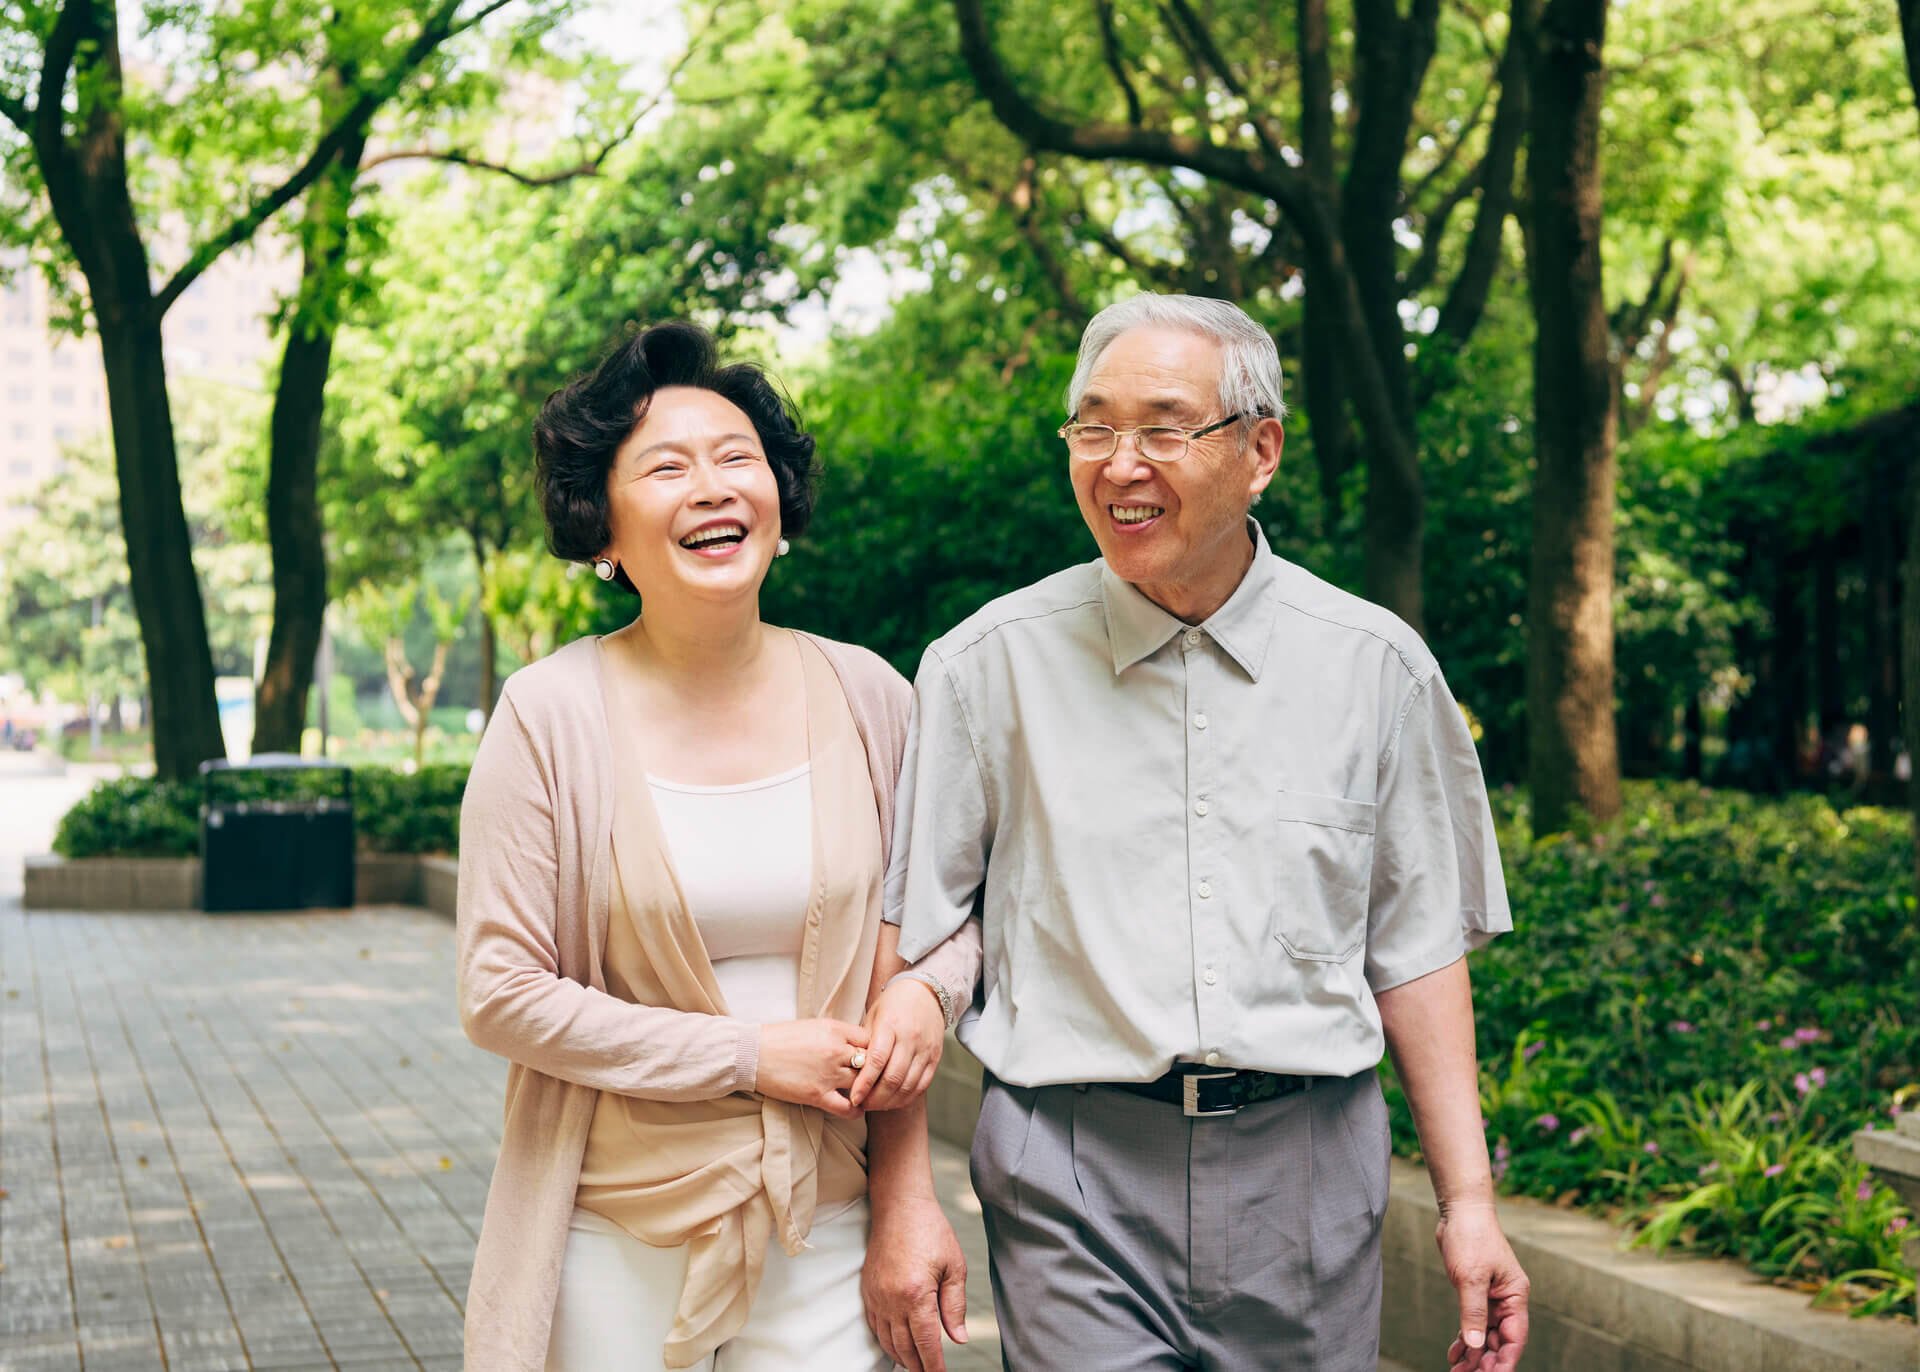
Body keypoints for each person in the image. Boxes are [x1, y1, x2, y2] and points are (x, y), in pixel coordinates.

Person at [861, 293, 1530, 1372]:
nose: (1121, 463)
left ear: (1260, 449)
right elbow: (914, 947)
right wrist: (900, 1200)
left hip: (1309, 1168)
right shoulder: (986, 668)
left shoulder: (1379, 669)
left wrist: (1470, 1204)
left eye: (1164, 428)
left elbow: (1415, 953)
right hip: (1070, 1166)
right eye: (1094, 429)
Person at [455, 321, 976, 1372]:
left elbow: (946, 922)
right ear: (604, 529)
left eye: (739, 458)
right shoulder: (547, 716)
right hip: (617, 1227)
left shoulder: (870, 693)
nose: (713, 485)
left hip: (829, 1220)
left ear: (778, 504)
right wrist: (751, 1055)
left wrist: (928, 1002)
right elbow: (499, 988)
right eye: (667, 466)